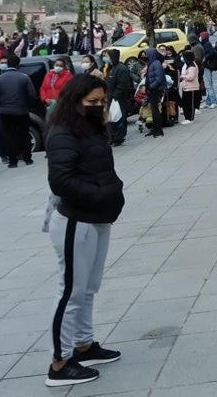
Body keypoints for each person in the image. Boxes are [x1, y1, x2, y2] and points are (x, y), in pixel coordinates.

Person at [44, 74, 125, 387]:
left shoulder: (89, 127)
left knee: (89, 287)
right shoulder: (63, 131)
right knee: (71, 291)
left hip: (97, 217)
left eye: (101, 101)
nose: (98, 106)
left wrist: (110, 192)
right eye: (92, 102)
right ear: (75, 100)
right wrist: (101, 194)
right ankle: (59, 362)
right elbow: (61, 180)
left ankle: (84, 344)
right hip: (75, 221)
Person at [0, 54, 38, 167]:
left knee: (9, 136)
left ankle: (13, 161)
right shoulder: (24, 77)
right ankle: (27, 158)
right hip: (22, 111)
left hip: (5, 112)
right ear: (18, 65)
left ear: (7, 65)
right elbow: (32, 95)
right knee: (24, 134)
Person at [102, 50, 132, 147]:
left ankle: (119, 137)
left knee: (119, 118)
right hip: (110, 98)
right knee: (112, 118)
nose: (105, 58)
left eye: (107, 56)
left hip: (119, 99)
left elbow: (122, 85)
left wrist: (115, 96)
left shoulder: (121, 69)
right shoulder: (111, 68)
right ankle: (112, 137)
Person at [142, 48, 166, 138]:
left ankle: (159, 130)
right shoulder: (151, 63)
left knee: (155, 110)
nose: (145, 56)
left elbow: (159, 78)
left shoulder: (156, 64)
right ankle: (155, 129)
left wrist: (151, 87)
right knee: (153, 110)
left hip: (155, 90)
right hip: (151, 90)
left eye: (146, 54)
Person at [178, 51, 199, 124]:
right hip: (186, 87)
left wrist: (182, 76)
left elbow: (191, 77)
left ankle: (190, 118)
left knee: (190, 104)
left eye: (183, 57)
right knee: (185, 103)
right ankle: (187, 118)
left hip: (192, 87)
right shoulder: (187, 64)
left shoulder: (192, 66)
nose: (182, 58)